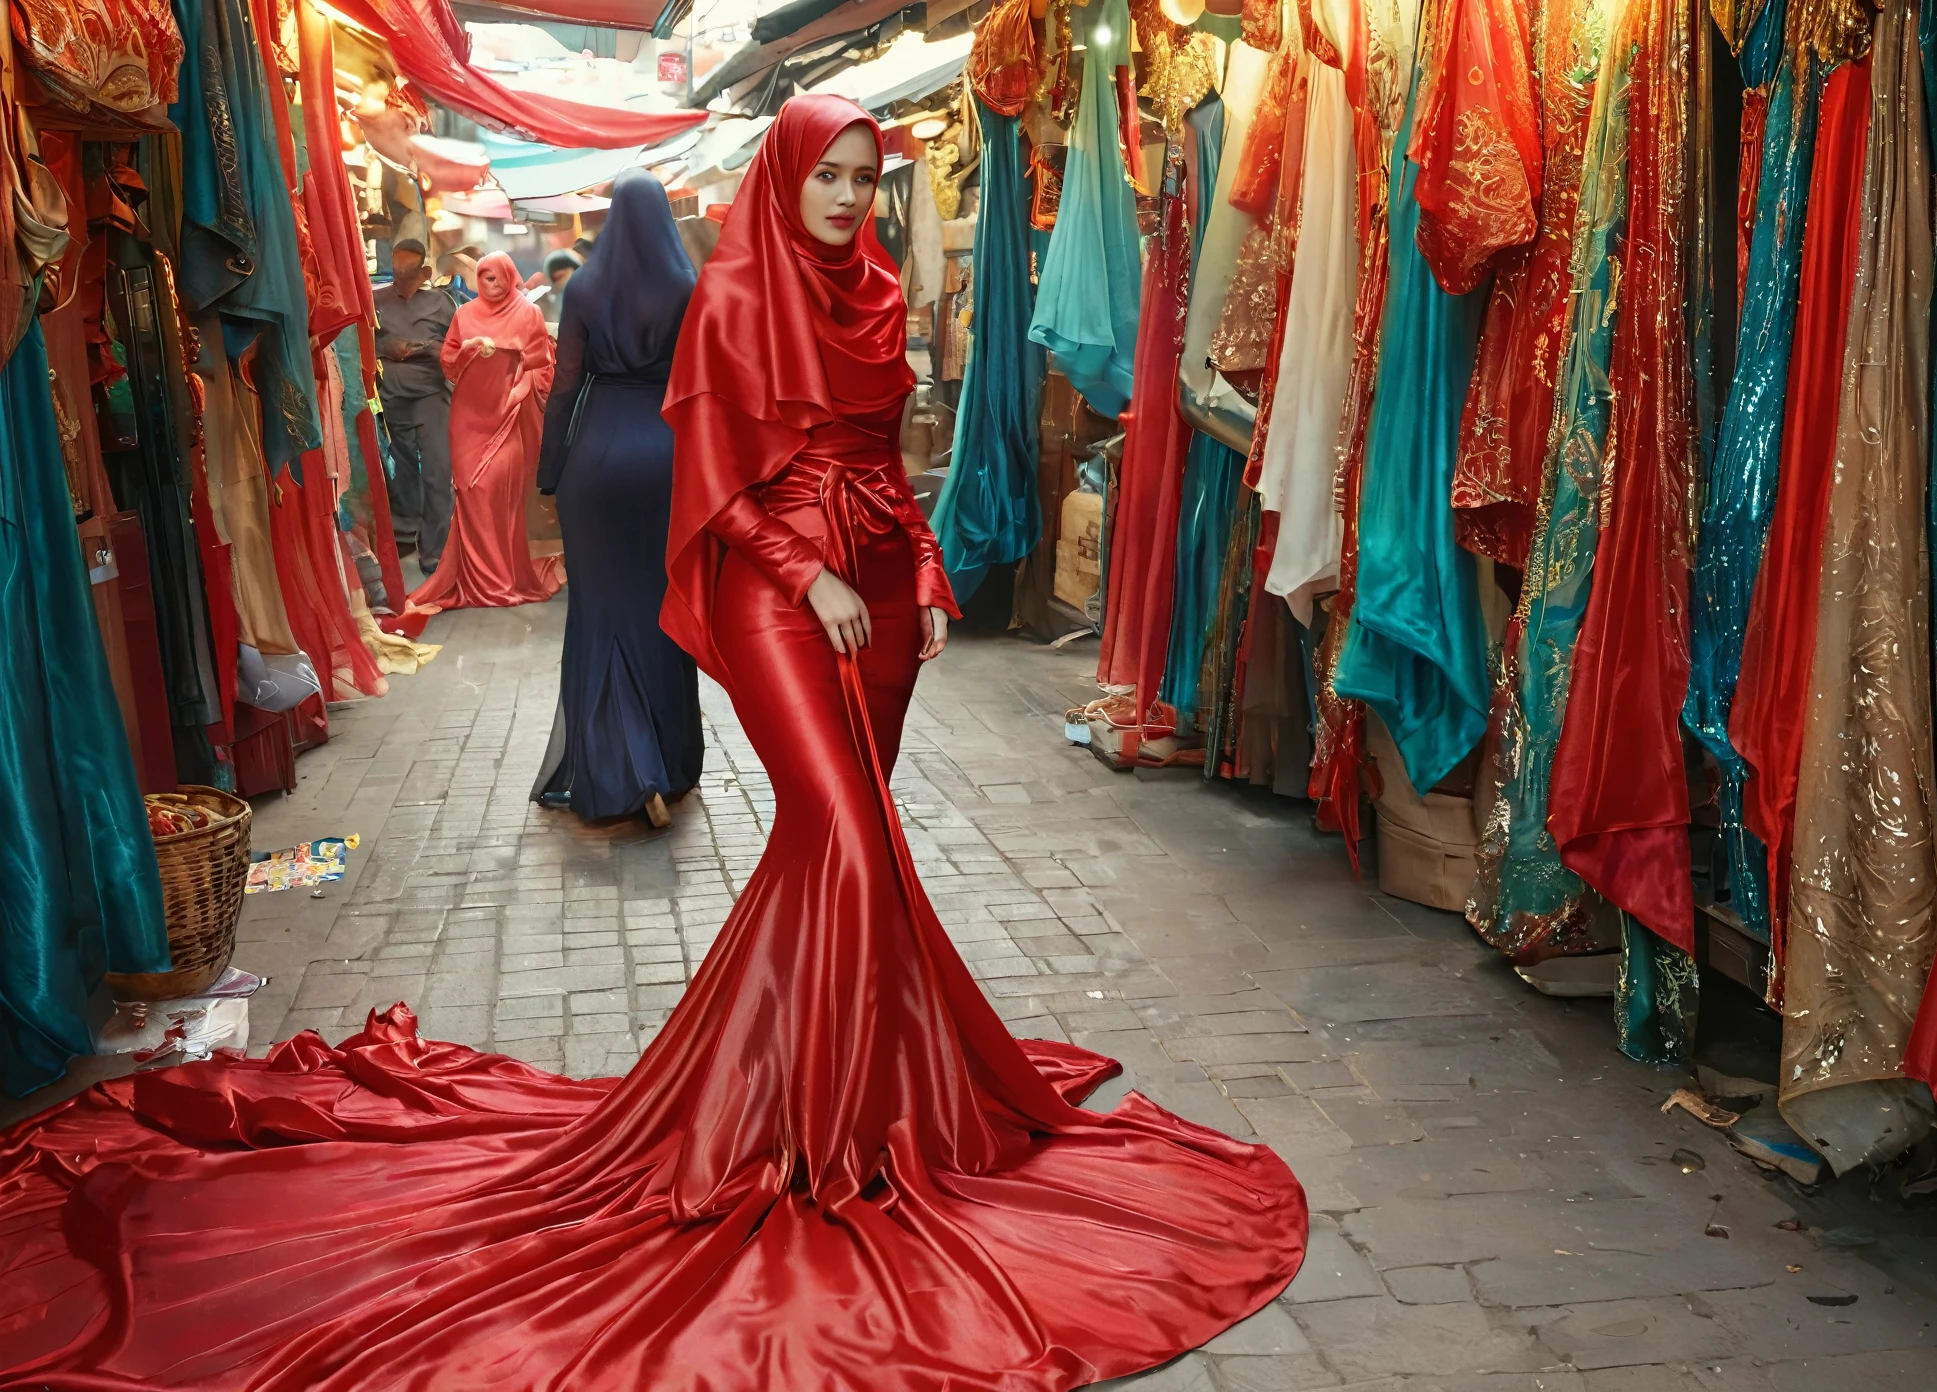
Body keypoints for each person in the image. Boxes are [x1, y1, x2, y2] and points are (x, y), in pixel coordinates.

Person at [0, 97, 1304, 1391]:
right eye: (830, 176)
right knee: (847, 838)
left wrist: (925, 573)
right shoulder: (734, 298)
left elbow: (890, 467)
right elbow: (721, 482)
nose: (848, 199)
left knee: (827, 846)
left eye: (865, 178)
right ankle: (834, 1127)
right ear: (787, 174)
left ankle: (829, 1085)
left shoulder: (866, 294)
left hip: (884, 597)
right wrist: (814, 573)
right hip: (780, 585)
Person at [530, 171, 703, 826]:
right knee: (662, 610)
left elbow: (564, 386)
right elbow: (698, 387)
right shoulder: (686, 287)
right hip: (665, 460)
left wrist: (550, 475)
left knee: (600, 612)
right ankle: (665, 760)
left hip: (595, 461)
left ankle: (623, 770)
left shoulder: (585, 285)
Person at [401, 251, 564, 614]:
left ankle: (503, 578)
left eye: (497, 277)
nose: (491, 284)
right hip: (469, 419)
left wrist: (515, 386)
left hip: (509, 418)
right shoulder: (464, 314)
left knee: (501, 496)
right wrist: (471, 352)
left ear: (510, 276)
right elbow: (448, 363)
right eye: (484, 277)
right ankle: (478, 579)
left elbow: (541, 367)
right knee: (472, 492)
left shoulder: (529, 313)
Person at [373, 237, 456, 570]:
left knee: (437, 471)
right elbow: (365, 337)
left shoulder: (441, 301)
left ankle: (436, 550)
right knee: (401, 472)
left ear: (424, 271)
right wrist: (389, 344)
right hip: (392, 396)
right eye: (396, 267)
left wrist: (426, 347)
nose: (400, 274)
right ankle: (406, 533)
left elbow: (457, 344)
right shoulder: (376, 299)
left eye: (408, 270)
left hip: (431, 395)